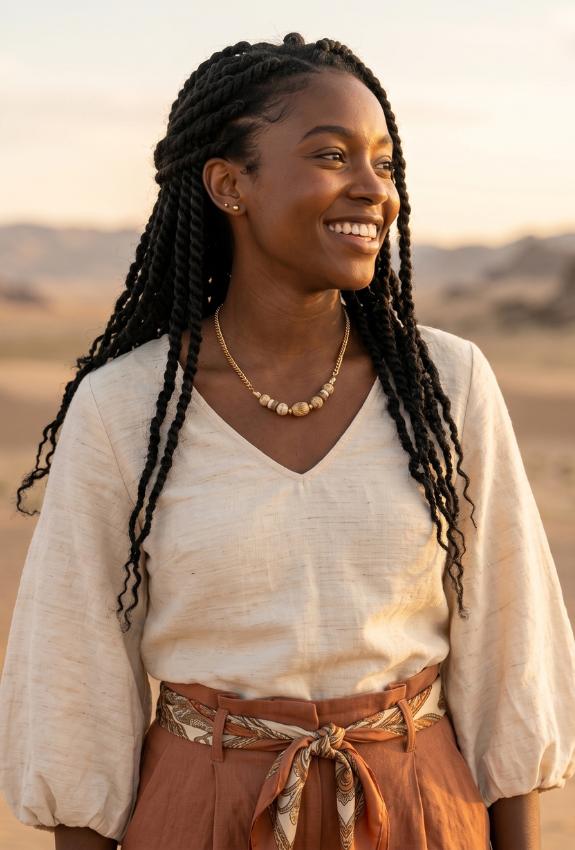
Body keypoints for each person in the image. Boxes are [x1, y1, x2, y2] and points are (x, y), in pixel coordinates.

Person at [0, 33, 574, 850]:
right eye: (332, 155)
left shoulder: (446, 384)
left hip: (417, 809)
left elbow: (509, 663)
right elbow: (74, 693)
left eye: (383, 163)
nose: (373, 189)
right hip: (201, 815)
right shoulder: (124, 408)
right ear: (229, 184)